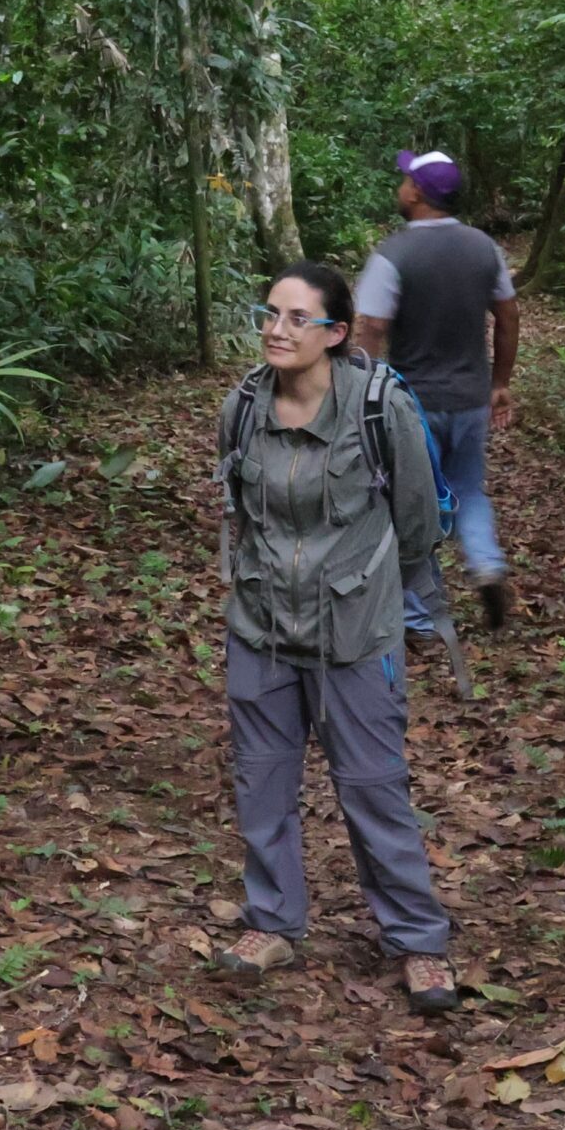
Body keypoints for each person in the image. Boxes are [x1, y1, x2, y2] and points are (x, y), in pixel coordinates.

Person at [214, 263, 460, 1013]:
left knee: (373, 790)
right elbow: (240, 512)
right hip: (261, 625)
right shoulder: (244, 405)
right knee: (263, 783)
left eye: (297, 318)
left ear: (336, 334)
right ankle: (273, 921)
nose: (276, 329)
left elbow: (418, 522)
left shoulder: (378, 409)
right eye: (270, 313)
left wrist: (367, 585)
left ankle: (418, 941)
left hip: (355, 631)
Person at [355, 150, 520, 630]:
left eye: (405, 179)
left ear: (418, 192)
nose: (400, 186)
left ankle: (421, 619)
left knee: (414, 503)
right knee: (467, 489)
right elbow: (508, 316)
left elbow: (370, 328)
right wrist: (500, 384)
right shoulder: (484, 248)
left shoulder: (394, 254)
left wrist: (363, 392)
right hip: (469, 398)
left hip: (413, 404)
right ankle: (486, 564)